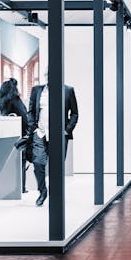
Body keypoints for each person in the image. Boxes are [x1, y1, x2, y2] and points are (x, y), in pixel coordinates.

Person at [26, 78, 79, 206]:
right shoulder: (37, 90)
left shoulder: (68, 90)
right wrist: (34, 128)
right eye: (48, 74)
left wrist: (67, 130)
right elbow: (31, 111)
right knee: (38, 163)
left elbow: (74, 113)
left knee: (57, 166)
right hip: (40, 133)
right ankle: (43, 191)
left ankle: (55, 194)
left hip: (59, 134)